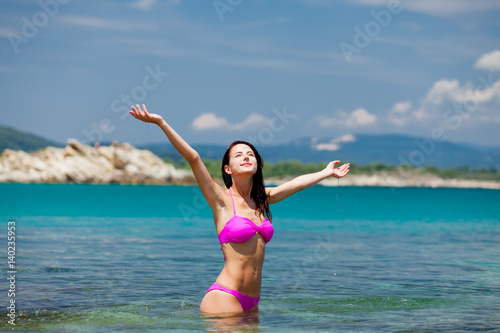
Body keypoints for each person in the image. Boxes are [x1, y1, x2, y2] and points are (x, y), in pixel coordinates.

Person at [129, 104, 350, 315]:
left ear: (257, 165)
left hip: (253, 301)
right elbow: (194, 158)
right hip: (225, 297)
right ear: (228, 168)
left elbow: (295, 184)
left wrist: (325, 172)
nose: (246, 156)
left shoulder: (263, 200)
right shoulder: (221, 200)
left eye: (250, 154)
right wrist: (161, 122)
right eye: (239, 155)